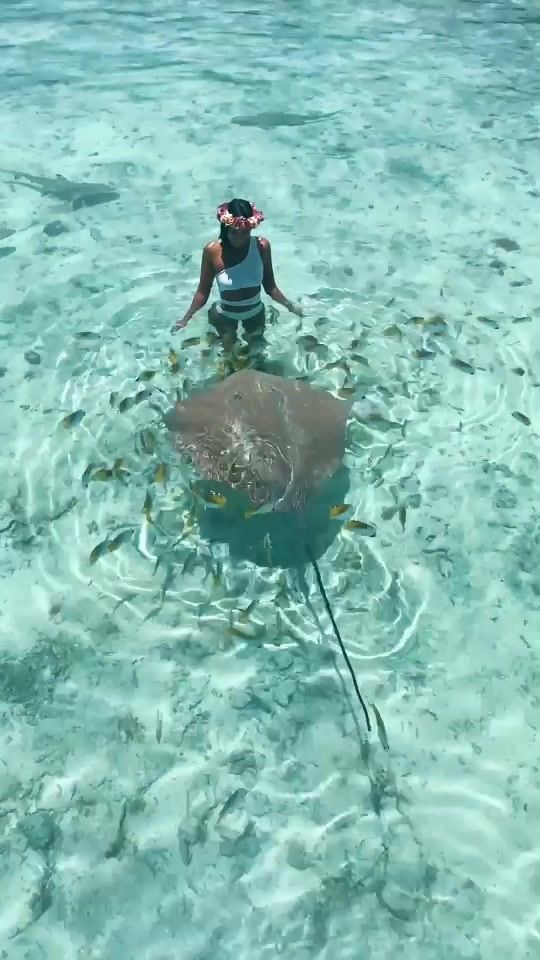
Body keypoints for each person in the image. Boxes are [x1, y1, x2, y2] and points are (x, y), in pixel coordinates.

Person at [170, 199, 303, 362]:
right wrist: (185, 319)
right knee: (228, 357)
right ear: (225, 228)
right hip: (225, 316)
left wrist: (291, 306)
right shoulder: (212, 251)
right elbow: (203, 292)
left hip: (255, 314)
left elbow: (270, 287)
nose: (240, 238)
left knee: (258, 356)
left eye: (245, 233)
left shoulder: (262, 246)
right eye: (234, 232)